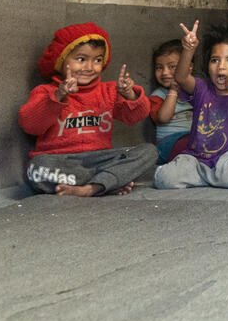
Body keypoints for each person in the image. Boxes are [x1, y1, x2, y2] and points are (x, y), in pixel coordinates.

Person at [19, 22, 157, 196]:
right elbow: (30, 125)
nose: (89, 67)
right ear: (61, 60)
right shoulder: (45, 92)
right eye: (81, 59)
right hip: (60, 161)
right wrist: (58, 97)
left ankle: (91, 188)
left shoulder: (109, 91)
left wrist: (129, 95)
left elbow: (135, 116)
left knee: (149, 152)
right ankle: (107, 182)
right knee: (36, 168)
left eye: (97, 60)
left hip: (101, 158)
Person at [153, 22, 228, 189]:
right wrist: (189, 49)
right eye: (215, 60)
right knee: (164, 179)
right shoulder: (202, 88)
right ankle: (212, 177)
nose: (221, 66)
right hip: (197, 157)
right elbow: (180, 78)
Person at [148, 38, 192, 163]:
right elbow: (163, 118)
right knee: (190, 143)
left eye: (172, 66)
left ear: (188, 67)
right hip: (167, 144)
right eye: (159, 67)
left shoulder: (194, 91)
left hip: (192, 139)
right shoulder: (158, 96)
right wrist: (173, 91)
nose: (165, 73)